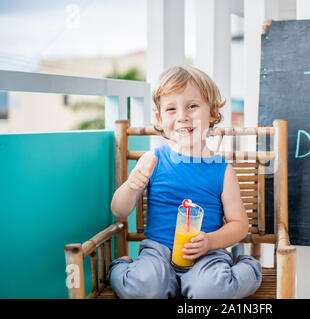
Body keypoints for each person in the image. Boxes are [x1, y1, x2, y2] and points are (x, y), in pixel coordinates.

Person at [108, 65, 262, 299]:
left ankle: (248, 267)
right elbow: (119, 210)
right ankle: (120, 267)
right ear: (159, 118)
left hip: (206, 252)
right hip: (158, 252)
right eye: (171, 109)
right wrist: (131, 185)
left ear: (212, 113)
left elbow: (239, 225)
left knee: (210, 292)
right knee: (145, 289)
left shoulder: (222, 171)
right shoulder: (153, 160)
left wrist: (210, 241)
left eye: (192, 106)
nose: (182, 116)